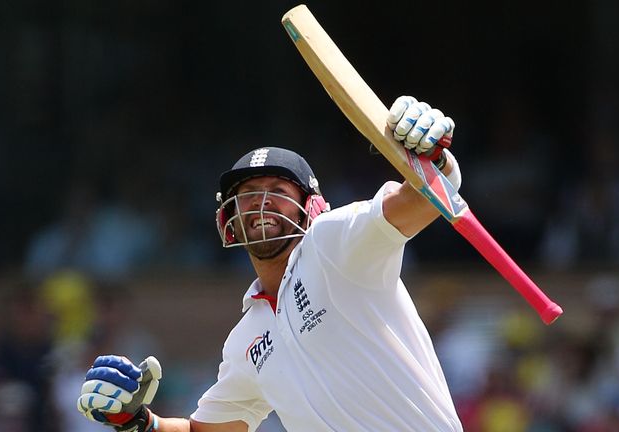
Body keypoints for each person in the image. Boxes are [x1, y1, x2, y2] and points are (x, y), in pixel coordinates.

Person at [76, 96, 464, 431]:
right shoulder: (246, 340)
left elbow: (425, 197)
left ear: (312, 206)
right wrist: (137, 421)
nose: (261, 203)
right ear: (229, 219)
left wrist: (435, 159)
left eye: (278, 190)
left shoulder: (334, 243)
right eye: (247, 194)